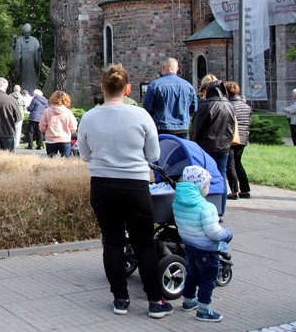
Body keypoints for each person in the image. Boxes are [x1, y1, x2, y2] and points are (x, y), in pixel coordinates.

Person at [77, 64, 173, 319]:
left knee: (112, 243)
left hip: (102, 186)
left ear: (102, 88)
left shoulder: (89, 117)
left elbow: (84, 154)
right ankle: (155, 301)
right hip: (134, 186)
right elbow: (153, 154)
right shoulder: (140, 115)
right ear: (128, 88)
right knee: (144, 244)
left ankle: (120, 298)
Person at [172, 165, 233, 323]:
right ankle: (203, 310)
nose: (208, 189)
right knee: (207, 279)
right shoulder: (207, 207)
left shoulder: (177, 201)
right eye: (207, 185)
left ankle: (188, 301)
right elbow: (213, 232)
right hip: (206, 248)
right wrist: (227, 234)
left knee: (192, 273)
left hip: (189, 244)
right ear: (200, 187)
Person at [190, 78, 235, 218]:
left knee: (204, 177)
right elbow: (232, 127)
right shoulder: (229, 105)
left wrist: (194, 144)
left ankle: (208, 209)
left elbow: (198, 127)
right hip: (224, 147)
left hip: (207, 146)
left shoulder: (206, 105)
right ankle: (220, 210)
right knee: (221, 177)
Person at [142, 57, 198, 138]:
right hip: (182, 128)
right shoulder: (188, 86)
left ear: (163, 68)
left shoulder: (155, 85)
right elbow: (194, 108)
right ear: (177, 69)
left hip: (162, 128)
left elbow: (147, 108)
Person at [225, 81, 253, 200]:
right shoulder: (246, 106)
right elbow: (249, 123)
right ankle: (245, 190)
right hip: (243, 138)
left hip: (231, 138)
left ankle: (234, 191)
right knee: (238, 163)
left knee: (230, 165)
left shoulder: (228, 106)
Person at [39, 90, 77, 157]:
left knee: (51, 162)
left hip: (50, 140)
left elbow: (41, 126)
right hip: (65, 139)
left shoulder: (46, 111)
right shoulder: (68, 112)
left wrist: (44, 131)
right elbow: (73, 127)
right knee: (66, 162)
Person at [12, 23, 42, 93]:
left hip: (32, 67)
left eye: (28, 33)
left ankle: (32, 92)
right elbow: (17, 54)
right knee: (22, 81)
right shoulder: (19, 40)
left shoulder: (35, 41)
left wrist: (40, 51)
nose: (26, 35)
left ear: (30, 32)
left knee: (32, 81)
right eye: (25, 33)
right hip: (23, 66)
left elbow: (38, 54)